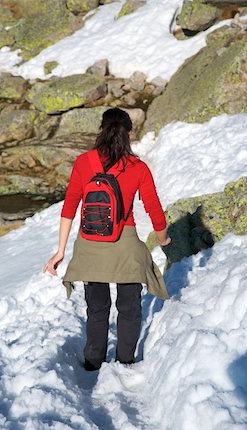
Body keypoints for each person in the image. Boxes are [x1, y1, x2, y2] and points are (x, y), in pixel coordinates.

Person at [43, 108, 171, 371]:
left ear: (100, 130)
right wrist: (163, 238)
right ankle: (125, 361)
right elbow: (154, 209)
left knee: (97, 307)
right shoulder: (137, 167)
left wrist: (60, 251)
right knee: (130, 308)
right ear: (129, 134)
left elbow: (69, 207)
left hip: (90, 244)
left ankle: (93, 361)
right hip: (126, 245)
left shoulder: (83, 162)